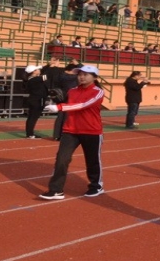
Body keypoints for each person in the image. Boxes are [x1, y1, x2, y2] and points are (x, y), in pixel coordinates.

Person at [39, 65, 105, 200]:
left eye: (86, 74)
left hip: (91, 131)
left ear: (94, 77)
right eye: (80, 74)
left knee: (92, 161)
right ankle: (56, 190)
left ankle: (96, 186)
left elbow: (83, 105)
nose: (82, 76)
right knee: (61, 159)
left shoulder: (98, 92)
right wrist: (57, 99)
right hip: (71, 130)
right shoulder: (72, 91)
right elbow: (67, 102)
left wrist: (59, 107)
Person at [23, 65, 48, 138]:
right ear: (33, 72)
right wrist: (53, 66)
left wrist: (49, 64)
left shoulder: (32, 79)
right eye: (37, 69)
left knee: (32, 117)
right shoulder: (35, 79)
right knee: (33, 117)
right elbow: (47, 76)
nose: (39, 70)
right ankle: (30, 134)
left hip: (34, 100)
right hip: (36, 100)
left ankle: (29, 133)